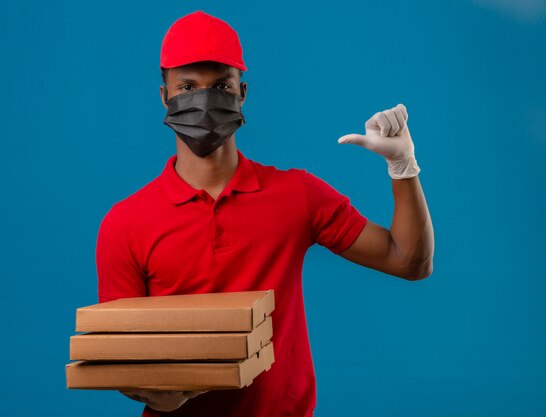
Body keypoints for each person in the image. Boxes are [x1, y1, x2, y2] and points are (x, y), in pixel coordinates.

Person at [95, 10, 434, 417]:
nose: (204, 100)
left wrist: (403, 167)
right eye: (187, 86)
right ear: (164, 96)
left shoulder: (297, 195)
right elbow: (119, 355)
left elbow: (409, 261)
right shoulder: (126, 222)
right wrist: (157, 394)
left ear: (242, 92)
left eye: (220, 85)